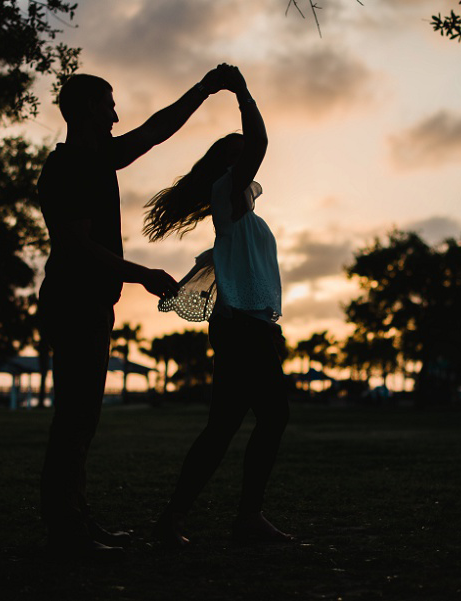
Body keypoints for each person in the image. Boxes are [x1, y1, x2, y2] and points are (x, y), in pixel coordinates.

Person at [37, 67, 230, 561]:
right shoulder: (72, 168)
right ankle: (66, 529)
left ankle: (74, 521)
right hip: (75, 303)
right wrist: (141, 273)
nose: (116, 115)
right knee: (76, 421)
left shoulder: (97, 159)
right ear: (84, 110)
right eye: (107, 105)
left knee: (81, 420)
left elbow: (156, 129)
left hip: (90, 303)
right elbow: (77, 247)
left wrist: (204, 89)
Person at [143, 67, 292, 547]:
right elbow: (260, 142)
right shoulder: (227, 191)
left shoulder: (239, 206)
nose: (250, 159)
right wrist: (242, 92)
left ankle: (173, 520)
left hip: (246, 325)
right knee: (272, 416)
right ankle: (246, 518)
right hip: (243, 329)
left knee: (223, 427)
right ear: (231, 163)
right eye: (240, 153)